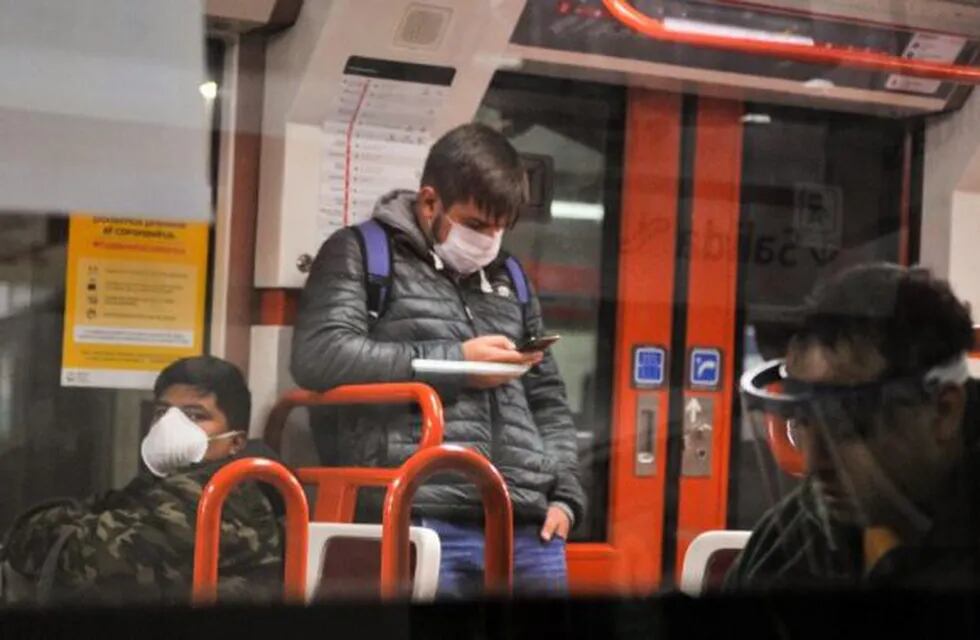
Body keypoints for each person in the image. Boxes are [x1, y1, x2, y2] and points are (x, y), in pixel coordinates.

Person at [291, 123, 585, 597]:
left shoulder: (510, 275)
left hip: (528, 521)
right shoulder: (363, 253)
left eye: (499, 228)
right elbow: (320, 355)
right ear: (430, 203)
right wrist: (457, 365)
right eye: (474, 225)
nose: (488, 240)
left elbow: (546, 397)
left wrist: (567, 496)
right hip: (421, 508)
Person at [728, 263, 979, 591]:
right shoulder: (793, 537)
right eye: (803, 422)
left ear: (944, 412)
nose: (814, 463)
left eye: (845, 425)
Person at [0, 356, 284, 605]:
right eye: (162, 412)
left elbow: (77, 558)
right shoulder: (162, 486)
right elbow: (100, 508)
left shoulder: (219, 499)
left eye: (195, 415)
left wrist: (41, 529)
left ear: (236, 441)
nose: (170, 425)